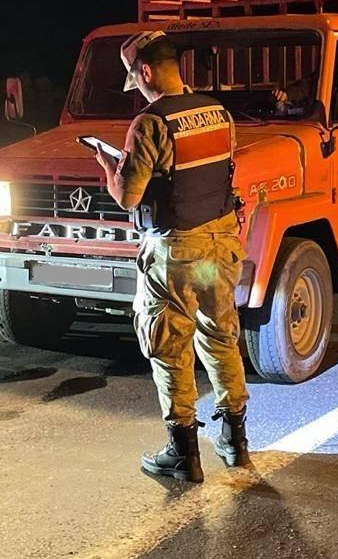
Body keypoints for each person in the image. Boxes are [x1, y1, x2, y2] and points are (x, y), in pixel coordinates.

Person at [92, 31, 251, 481]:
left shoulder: (150, 123)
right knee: (221, 336)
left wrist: (110, 170)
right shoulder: (218, 113)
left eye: (136, 80)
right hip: (220, 242)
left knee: (168, 343)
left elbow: (128, 195)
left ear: (144, 72)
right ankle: (235, 442)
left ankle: (183, 453)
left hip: (176, 248)